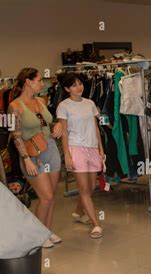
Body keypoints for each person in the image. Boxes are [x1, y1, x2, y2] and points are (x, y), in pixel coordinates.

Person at [8, 68, 64, 248]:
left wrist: (57, 127)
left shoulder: (41, 100)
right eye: (40, 80)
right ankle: (37, 235)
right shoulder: (15, 107)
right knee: (45, 197)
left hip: (51, 149)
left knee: (51, 196)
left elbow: (47, 123)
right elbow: (16, 135)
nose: (43, 84)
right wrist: (26, 159)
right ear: (28, 82)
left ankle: (47, 231)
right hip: (32, 154)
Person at [57, 73, 104, 239]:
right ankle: (96, 224)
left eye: (80, 84)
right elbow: (63, 132)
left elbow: (96, 127)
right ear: (67, 88)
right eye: (74, 85)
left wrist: (101, 149)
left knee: (91, 188)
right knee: (84, 189)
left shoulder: (90, 103)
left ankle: (78, 212)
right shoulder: (64, 106)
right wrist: (67, 156)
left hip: (92, 148)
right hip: (75, 148)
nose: (79, 87)